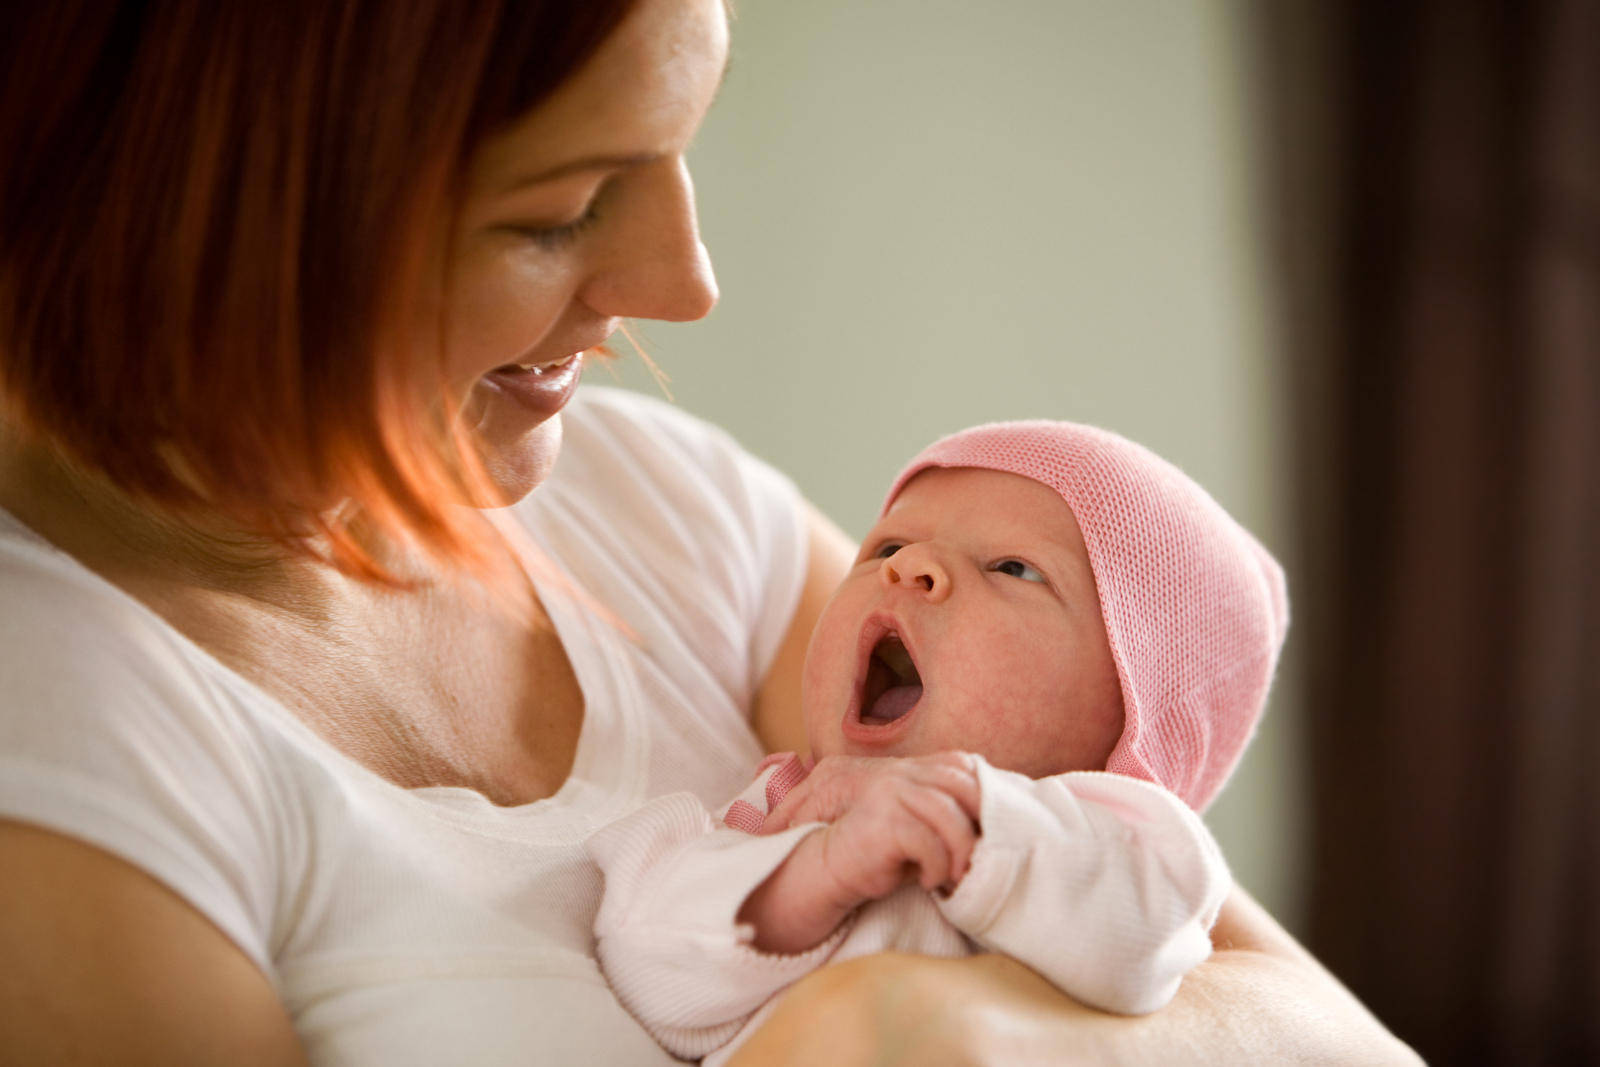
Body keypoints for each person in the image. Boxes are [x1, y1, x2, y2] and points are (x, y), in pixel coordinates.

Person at [0, 1, 1419, 1063]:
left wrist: (910, 1021)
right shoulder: (65, 744)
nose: (685, 285)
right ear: (199, 215)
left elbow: (1344, 1042)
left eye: (679, 153)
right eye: (559, 211)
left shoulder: (664, 510)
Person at [587, 419, 1285, 1064]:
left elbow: (1144, 935)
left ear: (1133, 715)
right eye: (886, 546)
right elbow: (647, 964)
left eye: (1013, 568)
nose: (909, 565)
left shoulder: (1129, 846)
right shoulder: (780, 815)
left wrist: (971, 821)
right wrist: (808, 876)